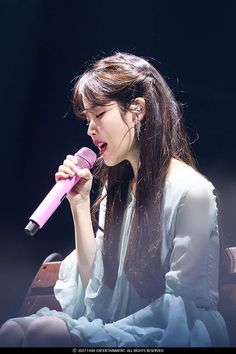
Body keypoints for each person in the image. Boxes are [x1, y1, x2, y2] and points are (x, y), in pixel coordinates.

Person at [0, 52, 230, 347]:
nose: (90, 129)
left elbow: (179, 309)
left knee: (47, 333)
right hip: (120, 330)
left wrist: (107, 331)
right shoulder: (117, 191)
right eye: (87, 117)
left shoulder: (192, 192)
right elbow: (94, 292)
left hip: (169, 334)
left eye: (99, 114)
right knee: (12, 332)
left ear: (138, 110)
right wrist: (80, 203)